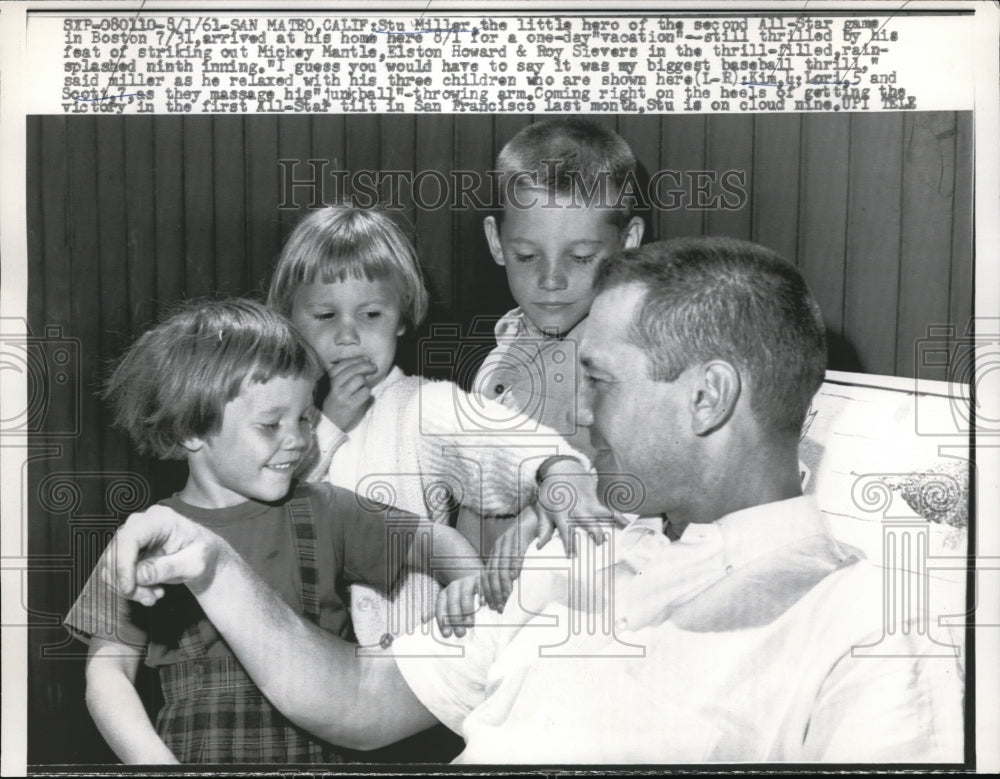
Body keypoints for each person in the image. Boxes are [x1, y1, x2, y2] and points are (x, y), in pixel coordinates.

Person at [102, 238, 964, 764]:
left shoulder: (864, 628)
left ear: (707, 398)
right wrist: (213, 565)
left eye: (598, 381)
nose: (576, 412)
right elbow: (363, 701)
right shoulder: (574, 550)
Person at [64, 299, 476, 764]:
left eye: (304, 417)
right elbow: (107, 670)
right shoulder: (145, 539)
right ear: (190, 431)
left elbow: (434, 540)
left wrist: (467, 584)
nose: (299, 439)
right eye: (270, 424)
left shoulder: (327, 508)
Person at [266, 203, 603, 645]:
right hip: (295, 659)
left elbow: (499, 439)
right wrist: (329, 425)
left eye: (371, 315)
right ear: (290, 320)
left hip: (406, 670)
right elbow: (269, 504)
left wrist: (557, 468)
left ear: (402, 317)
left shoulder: (421, 407)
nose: (348, 336)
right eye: (326, 316)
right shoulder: (273, 413)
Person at [474, 117, 646, 460]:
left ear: (628, 242)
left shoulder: (627, 370)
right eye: (526, 256)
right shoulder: (501, 352)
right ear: (496, 242)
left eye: (581, 257)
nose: (551, 281)